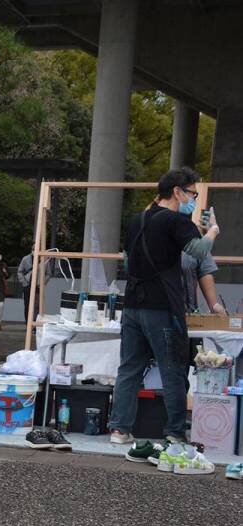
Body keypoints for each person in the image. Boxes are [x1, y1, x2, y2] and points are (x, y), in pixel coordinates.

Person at [109, 168, 219, 446]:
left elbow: (126, 260)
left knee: (129, 368)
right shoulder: (177, 221)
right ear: (177, 192)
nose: (193, 199)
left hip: (132, 304)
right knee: (173, 369)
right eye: (192, 193)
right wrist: (213, 232)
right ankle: (174, 431)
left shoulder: (137, 220)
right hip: (162, 308)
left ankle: (120, 430)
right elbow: (198, 251)